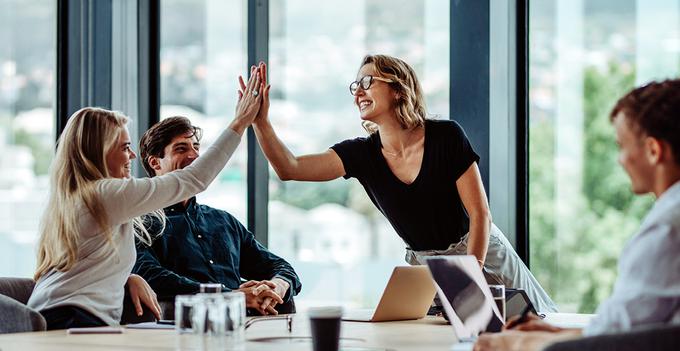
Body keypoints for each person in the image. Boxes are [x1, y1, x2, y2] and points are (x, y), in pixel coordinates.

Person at [248, 55, 557, 312]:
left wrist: (468, 274)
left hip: (480, 253)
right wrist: (261, 122)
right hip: (426, 269)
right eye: (355, 85)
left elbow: (480, 215)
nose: (358, 92)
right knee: (445, 341)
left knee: (535, 324)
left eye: (368, 82)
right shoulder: (361, 154)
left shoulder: (446, 136)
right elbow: (289, 168)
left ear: (398, 89)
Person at [27, 66, 264, 330]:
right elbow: (193, 179)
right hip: (72, 320)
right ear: (99, 151)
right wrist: (239, 123)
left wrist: (128, 277)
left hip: (54, 315)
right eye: (124, 147)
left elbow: (85, 263)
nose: (132, 156)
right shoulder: (103, 194)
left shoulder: (76, 197)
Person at [474, 79, 680, 351]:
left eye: (622, 146)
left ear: (654, 151)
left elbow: (614, 339)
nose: (620, 160)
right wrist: (557, 331)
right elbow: (635, 331)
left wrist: (519, 343)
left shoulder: (668, 229)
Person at [133, 116, 302, 316]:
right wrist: (230, 296)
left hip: (246, 328)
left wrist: (277, 286)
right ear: (155, 162)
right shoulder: (140, 224)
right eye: (181, 149)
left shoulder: (223, 221)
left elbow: (280, 266)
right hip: (184, 330)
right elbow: (150, 275)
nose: (195, 156)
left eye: (196, 147)